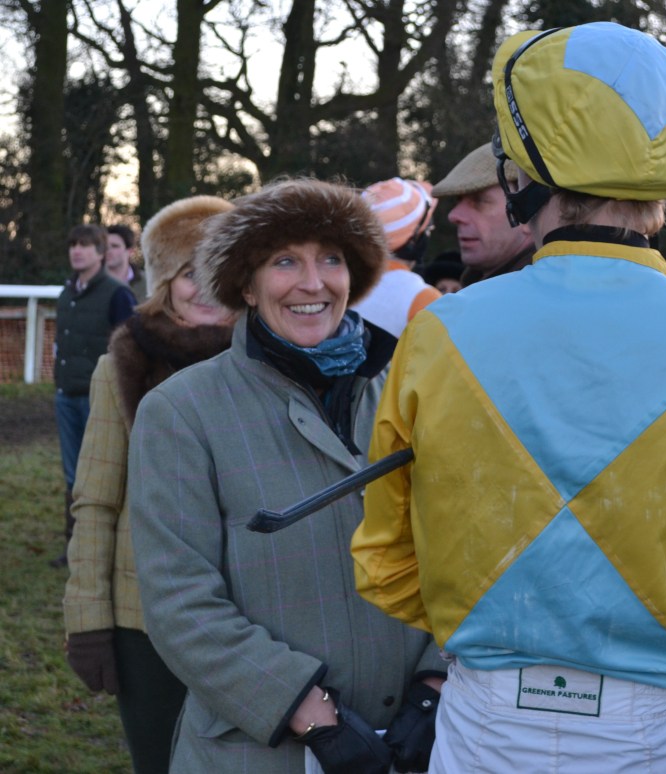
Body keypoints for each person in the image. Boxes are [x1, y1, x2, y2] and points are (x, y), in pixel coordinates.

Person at [352, 22, 666, 773]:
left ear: (522, 177)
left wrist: (497, 623)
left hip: (486, 720)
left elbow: (386, 563)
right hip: (657, 729)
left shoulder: (438, 335)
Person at [128, 178, 447, 774]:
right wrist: (311, 714)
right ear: (246, 286)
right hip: (257, 752)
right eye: (284, 261)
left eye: (331, 259)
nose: (313, 282)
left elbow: (461, 550)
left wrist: (435, 683)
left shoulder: (410, 392)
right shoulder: (181, 411)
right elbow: (180, 603)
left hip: (413, 745)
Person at [63, 196, 236, 774]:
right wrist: (88, 620)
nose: (204, 289)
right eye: (189, 274)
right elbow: (95, 500)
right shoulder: (122, 365)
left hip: (249, 619)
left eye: (216, 273)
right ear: (165, 282)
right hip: (146, 621)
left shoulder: (266, 364)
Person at [51, 224, 137, 567]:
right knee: (73, 475)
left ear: (101, 253)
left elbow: (129, 349)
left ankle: (110, 549)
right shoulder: (66, 293)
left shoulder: (118, 294)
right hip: (65, 396)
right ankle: (75, 549)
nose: (76, 250)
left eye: (85, 245)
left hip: (99, 399)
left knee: (103, 474)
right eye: (73, 244)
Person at [431, 142, 534, 285]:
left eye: (479, 201)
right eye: (458, 200)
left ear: (528, 212)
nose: (454, 216)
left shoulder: (534, 293)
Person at [352, 177, 441, 336]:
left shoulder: (336, 283)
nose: (431, 230)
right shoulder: (424, 299)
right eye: (428, 228)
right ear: (414, 240)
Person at [106, 224, 147, 302]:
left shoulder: (147, 283)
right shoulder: (90, 283)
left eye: (115, 246)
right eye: (105, 246)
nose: (108, 251)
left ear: (130, 251)